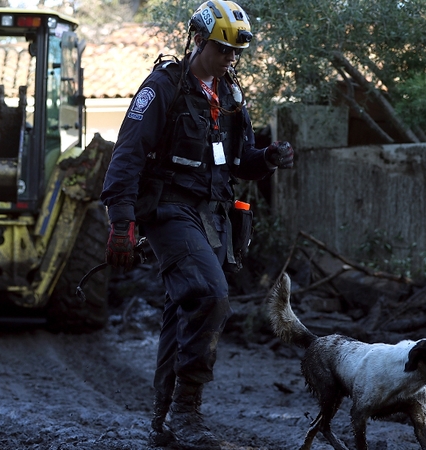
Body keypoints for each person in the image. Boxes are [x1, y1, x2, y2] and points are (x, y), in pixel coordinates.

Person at [100, 1, 294, 448]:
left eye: (234, 53)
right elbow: (126, 156)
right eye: (222, 50)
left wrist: (266, 159)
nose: (229, 59)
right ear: (199, 41)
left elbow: (237, 162)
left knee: (182, 307)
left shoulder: (230, 96)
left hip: (210, 217)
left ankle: (163, 421)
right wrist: (121, 222)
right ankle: (188, 412)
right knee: (210, 295)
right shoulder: (162, 87)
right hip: (168, 210)